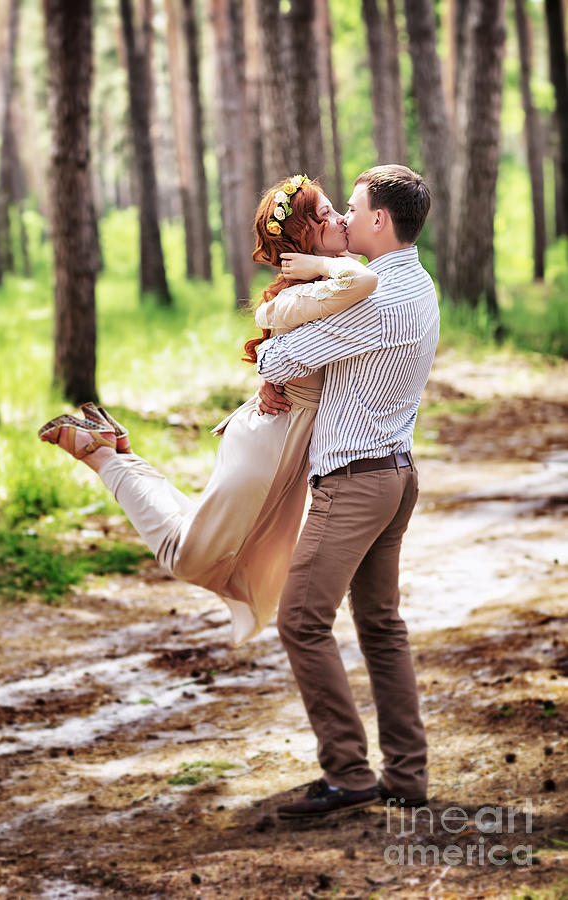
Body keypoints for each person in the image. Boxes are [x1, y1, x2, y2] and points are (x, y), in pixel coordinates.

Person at [38, 175, 378, 647]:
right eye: (326, 215)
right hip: (268, 450)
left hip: (278, 441)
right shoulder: (306, 292)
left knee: (202, 536)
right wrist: (319, 268)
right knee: (186, 557)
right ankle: (105, 458)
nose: (342, 219)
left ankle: (114, 451)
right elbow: (356, 284)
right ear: (304, 238)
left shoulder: (330, 279)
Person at [255, 164, 440, 819]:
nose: (342, 220)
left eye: (353, 209)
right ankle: (407, 776)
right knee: (381, 627)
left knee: (300, 621)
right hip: (393, 474)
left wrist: (288, 316)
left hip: (355, 482)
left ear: (380, 221)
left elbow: (276, 359)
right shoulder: (414, 284)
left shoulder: (378, 298)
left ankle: (348, 772)